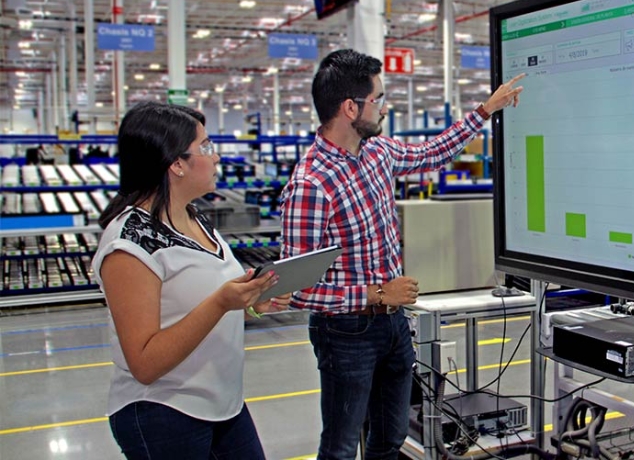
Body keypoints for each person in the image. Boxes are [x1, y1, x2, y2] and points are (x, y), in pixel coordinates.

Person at [280, 48, 525, 460]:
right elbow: (297, 291)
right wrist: (377, 294)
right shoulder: (311, 184)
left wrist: (486, 110)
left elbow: (432, 153)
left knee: (390, 438)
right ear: (349, 107)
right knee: (340, 447)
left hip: (393, 325)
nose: (384, 108)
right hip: (346, 334)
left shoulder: (377, 153)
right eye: (378, 99)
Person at [92, 101, 287, 459]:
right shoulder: (129, 244)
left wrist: (253, 305)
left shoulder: (195, 219)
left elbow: (196, 306)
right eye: (207, 148)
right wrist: (220, 303)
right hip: (165, 412)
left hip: (223, 403)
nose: (216, 159)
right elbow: (145, 363)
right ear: (176, 164)